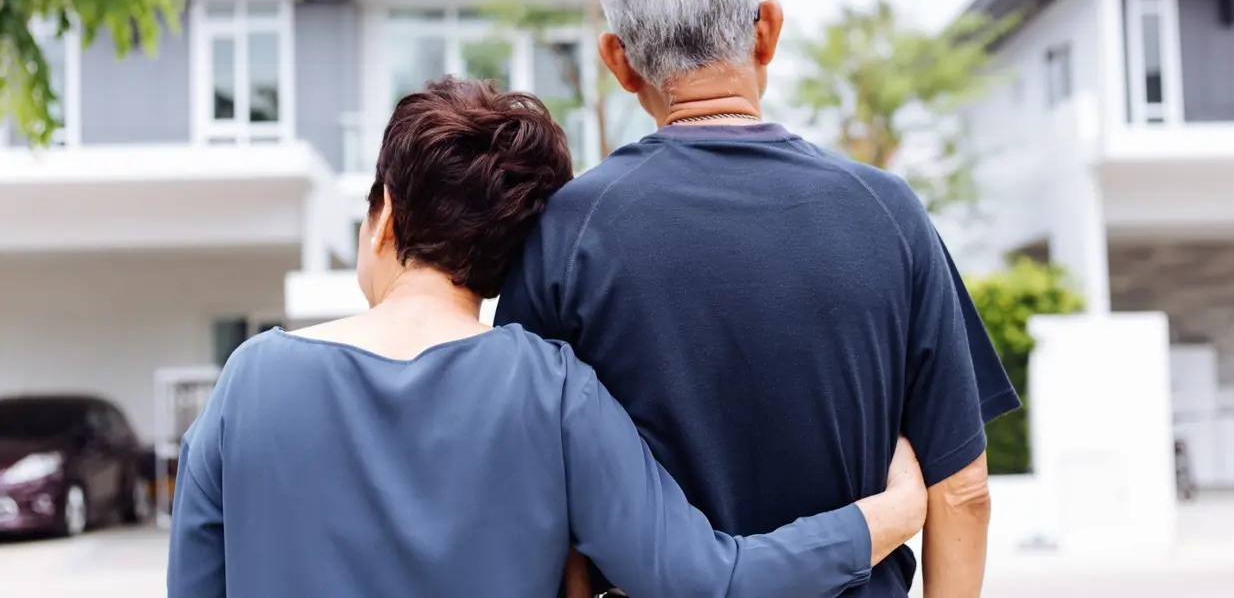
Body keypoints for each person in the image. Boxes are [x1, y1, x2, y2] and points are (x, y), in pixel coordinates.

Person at [165, 77, 930, 598]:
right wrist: (888, 516)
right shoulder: (553, 390)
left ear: (385, 216)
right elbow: (707, 582)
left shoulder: (249, 383)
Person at [495, 0, 1022, 598]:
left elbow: (537, 499)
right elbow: (962, 492)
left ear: (619, 62)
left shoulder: (565, 234)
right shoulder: (888, 214)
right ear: (766, 29)